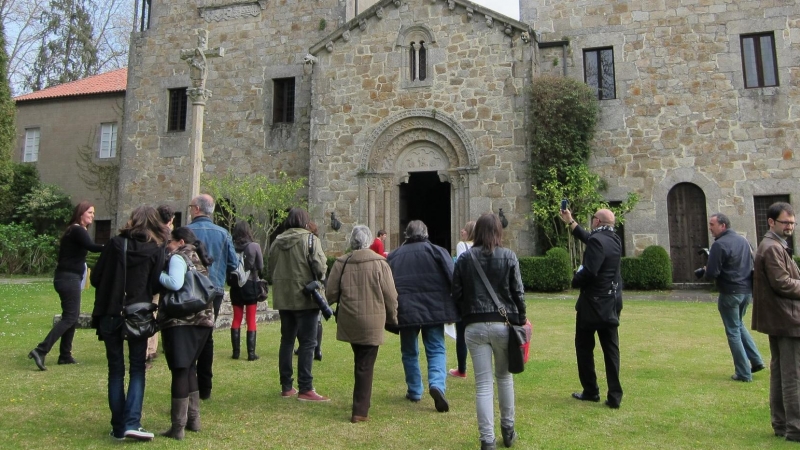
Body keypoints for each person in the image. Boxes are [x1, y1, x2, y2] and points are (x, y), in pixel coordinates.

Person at [90, 206, 168, 441]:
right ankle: (131, 422)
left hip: (111, 310)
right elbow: (156, 284)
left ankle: (118, 425)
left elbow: (96, 277)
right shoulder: (156, 248)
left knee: (115, 370)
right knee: (136, 368)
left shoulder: (115, 244)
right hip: (138, 312)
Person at [453, 213, 525, 449]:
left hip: (474, 325)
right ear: (498, 232)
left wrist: (465, 316)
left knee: (483, 384)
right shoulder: (509, 256)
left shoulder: (464, 259)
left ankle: (487, 440)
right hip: (503, 325)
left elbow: (457, 294)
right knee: (504, 378)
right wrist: (521, 319)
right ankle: (508, 429)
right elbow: (518, 293)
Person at [327, 225, 398, 423]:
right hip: (372, 320)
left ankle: (361, 402)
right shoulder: (380, 263)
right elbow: (391, 296)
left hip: (349, 318)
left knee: (361, 360)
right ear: (368, 241)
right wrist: (393, 317)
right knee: (365, 364)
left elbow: (330, 293)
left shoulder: (342, 262)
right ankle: (360, 410)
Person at [387, 220, 459, 412]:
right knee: (436, 348)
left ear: (406, 235)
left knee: (409, 351)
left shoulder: (394, 256)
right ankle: (436, 384)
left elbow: (387, 284)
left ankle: (414, 390)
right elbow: (453, 278)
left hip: (406, 310)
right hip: (434, 310)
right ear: (426, 234)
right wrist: (454, 306)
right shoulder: (437, 251)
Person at [559, 207, 623, 409]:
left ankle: (591, 390)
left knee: (584, 347)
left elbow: (590, 271)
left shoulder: (598, 241)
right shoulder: (614, 239)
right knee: (611, 349)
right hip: (611, 303)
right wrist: (571, 222)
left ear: (597, 221)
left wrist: (575, 279)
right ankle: (615, 395)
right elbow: (591, 240)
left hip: (593, 305)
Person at [28, 201, 103, 370]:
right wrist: (113, 246)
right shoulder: (77, 229)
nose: (92, 216)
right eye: (90, 212)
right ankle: (40, 350)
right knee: (70, 317)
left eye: (93, 213)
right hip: (68, 279)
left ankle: (65, 355)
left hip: (67, 278)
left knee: (72, 316)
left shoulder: (76, 230)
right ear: (81, 213)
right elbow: (91, 247)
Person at [157, 227, 215, 440]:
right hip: (203, 320)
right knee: (190, 368)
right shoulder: (198, 257)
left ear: (180, 242)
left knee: (180, 370)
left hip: (182, 321)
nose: (167, 246)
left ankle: (178, 426)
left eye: (170, 242)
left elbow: (175, 283)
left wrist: (158, 274)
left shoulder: (179, 258)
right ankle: (194, 419)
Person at [269, 207, 329, 401]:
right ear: (305, 221)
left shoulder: (276, 242)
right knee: (308, 343)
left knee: (286, 341)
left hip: (284, 298)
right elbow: (320, 269)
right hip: (306, 297)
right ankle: (306, 387)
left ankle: (286, 386)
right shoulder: (311, 240)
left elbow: (270, 269)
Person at [752, 202, 800, 442]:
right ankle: (795, 428)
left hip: (782, 317)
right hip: (787, 319)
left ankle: (782, 424)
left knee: (782, 373)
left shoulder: (776, 245)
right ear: (771, 222)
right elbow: (781, 282)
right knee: (793, 375)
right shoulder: (771, 247)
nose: (790, 227)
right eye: (785, 222)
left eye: (792, 223)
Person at [186, 194, 238, 400]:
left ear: (197, 209)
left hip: (189, 289)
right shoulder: (223, 233)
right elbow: (234, 264)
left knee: (188, 335)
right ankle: (204, 387)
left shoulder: (186, 231)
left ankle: (189, 384)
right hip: (213, 290)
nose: (190, 210)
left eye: (191, 207)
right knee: (207, 336)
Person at [702, 213, 764, 381]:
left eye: (712, 224)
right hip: (746, 292)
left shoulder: (719, 245)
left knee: (733, 332)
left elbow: (712, 273)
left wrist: (705, 270)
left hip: (730, 293)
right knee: (739, 325)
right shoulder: (743, 241)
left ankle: (744, 373)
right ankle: (757, 360)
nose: (710, 228)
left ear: (723, 226)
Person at [229, 220, 264, 361]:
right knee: (251, 319)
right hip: (250, 285)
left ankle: (236, 352)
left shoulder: (232, 246)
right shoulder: (254, 246)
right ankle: (251, 353)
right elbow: (260, 266)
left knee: (236, 318)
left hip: (235, 285)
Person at [146, 205, 176, 365]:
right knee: (155, 310)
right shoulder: (167, 235)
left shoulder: (151, 233)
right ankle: (150, 348)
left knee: (151, 310)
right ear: (170, 219)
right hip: (162, 276)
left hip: (151, 276)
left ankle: (151, 347)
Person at [449, 220, 476, 379]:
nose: (461, 231)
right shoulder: (483, 247)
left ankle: (462, 369)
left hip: (465, 295)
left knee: (462, 333)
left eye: (464, 229)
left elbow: (460, 269)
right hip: (480, 296)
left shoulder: (462, 246)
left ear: (470, 232)